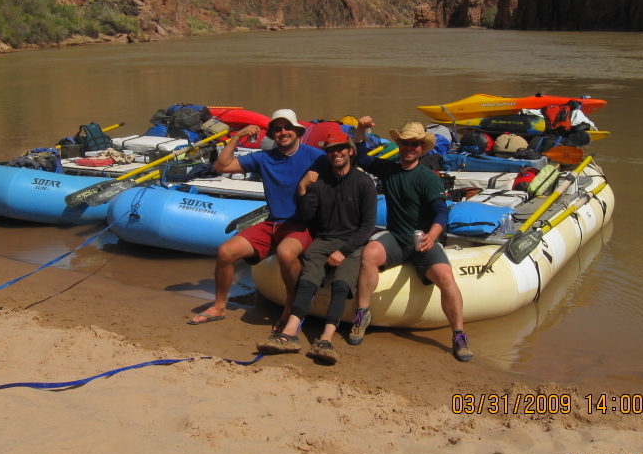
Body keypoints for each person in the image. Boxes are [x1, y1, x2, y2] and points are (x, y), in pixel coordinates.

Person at [187, 109, 326, 328]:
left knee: (286, 252)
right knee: (225, 252)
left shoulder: (314, 156)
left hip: (301, 224)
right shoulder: (264, 158)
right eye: (278, 129)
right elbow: (221, 166)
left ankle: (291, 306)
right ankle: (219, 306)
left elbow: (344, 169)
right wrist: (236, 136)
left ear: (297, 131)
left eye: (287, 127)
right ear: (272, 133)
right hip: (272, 223)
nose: (283, 132)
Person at [351, 118, 474, 362]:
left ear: (422, 148)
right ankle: (362, 314)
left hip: (423, 242)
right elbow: (362, 158)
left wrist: (433, 236)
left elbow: (441, 211)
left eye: (415, 144)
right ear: (399, 145)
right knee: (369, 254)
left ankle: (459, 335)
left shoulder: (428, 178)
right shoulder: (390, 169)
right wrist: (362, 130)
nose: (410, 147)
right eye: (405, 143)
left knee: (447, 278)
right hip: (397, 238)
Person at [255, 131, 378, 364]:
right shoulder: (319, 182)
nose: (336, 153)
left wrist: (344, 251)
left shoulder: (364, 183)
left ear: (350, 151)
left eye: (341, 148)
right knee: (308, 280)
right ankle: (289, 334)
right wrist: (301, 189)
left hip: (353, 243)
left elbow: (367, 226)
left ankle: (325, 340)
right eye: (331, 150)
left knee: (341, 285)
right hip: (323, 240)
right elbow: (306, 216)